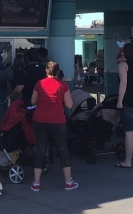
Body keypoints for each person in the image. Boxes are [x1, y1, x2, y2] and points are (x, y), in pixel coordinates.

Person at [30, 61, 78, 191]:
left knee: (40, 148)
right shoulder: (63, 85)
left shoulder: (39, 84)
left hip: (39, 119)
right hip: (57, 120)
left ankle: (36, 183)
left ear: (46, 71)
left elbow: (33, 101)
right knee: (62, 149)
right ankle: (68, 182)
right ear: (58, 72)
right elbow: (69, 105)